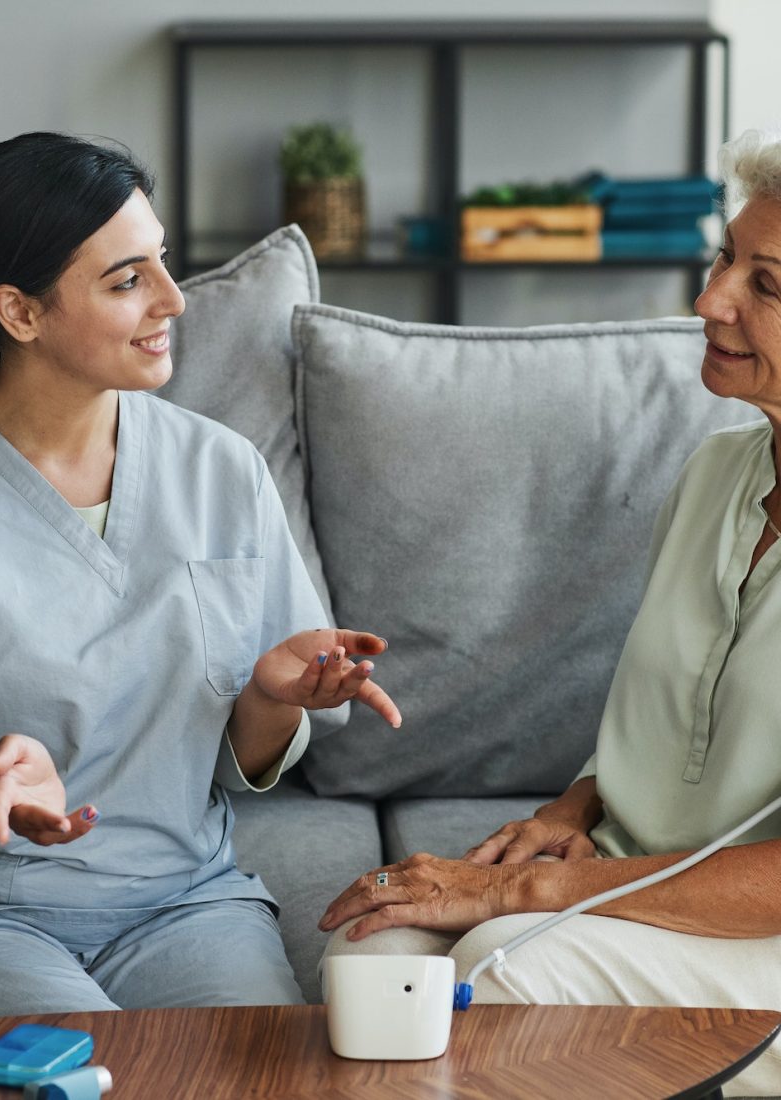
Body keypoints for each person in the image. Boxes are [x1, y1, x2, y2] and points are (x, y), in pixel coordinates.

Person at [319, 129, 781, 1097]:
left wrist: (530, 889)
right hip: (626, 872)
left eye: (763, 286)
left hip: (755, 937)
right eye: (720, 260)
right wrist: (569, 809)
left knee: (498, 972)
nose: (707, 302)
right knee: (372, 958)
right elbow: (663, 716)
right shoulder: (714, 477)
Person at [0, 130, 401, 1016]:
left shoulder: (220, 469)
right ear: (19, 312)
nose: (174, 299)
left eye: (162, 262)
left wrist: (276, 694)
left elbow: (240, 757)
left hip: (188, 905)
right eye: (127, 280)